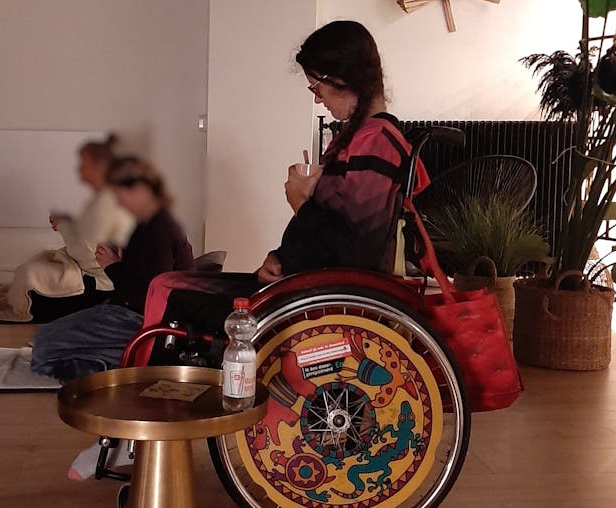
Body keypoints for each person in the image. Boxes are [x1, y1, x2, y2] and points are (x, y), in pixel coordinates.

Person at [131, 20, 429, 367]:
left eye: (317, 87)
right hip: (303, 282)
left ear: (343, 78)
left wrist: (301, 202)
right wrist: (280, 256)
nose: (317, 99)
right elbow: (333, 233)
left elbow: (354, 252)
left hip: (319, 294)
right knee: (169, 285)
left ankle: (157, 393)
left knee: (169, 290)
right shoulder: (362, 138)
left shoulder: (374, 142)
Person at [30, 155, 194, 383]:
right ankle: (113, 361)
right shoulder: (135, 222)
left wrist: (112, 267)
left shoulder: (157, 227)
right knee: (45, 339)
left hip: (145, 319)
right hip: (127, 309)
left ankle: (131, 363)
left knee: (45, 344)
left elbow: (149, 293)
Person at [0, 134, 134, 323]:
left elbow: (91, 257)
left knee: (30, 276)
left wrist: (64, 226)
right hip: (82, 266)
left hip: (100, 283)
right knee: (30, 269)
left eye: (85, 165)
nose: (79, 170)